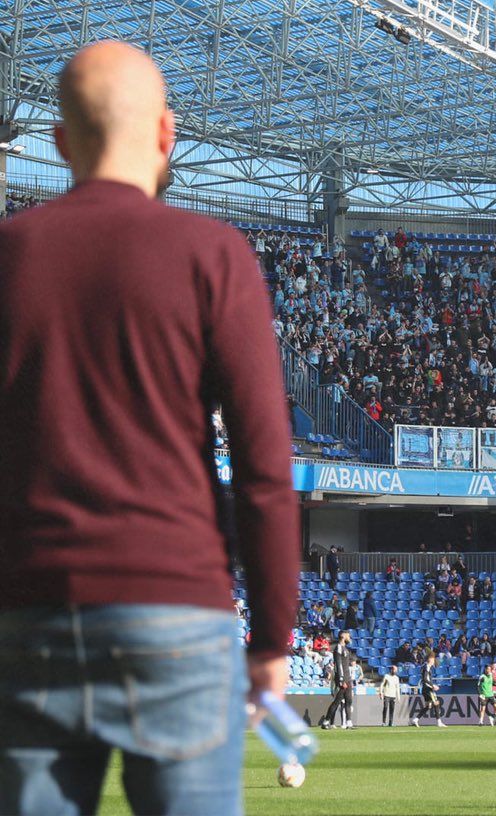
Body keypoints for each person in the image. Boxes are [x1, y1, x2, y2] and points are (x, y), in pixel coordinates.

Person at [0, 42, 299, 816]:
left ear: (60, 141)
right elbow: (267, 468)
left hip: (27, 615)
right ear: (168, 133)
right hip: (176, 614)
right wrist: (271, 641)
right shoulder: (214, 254)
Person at [320, 630, 354, 730]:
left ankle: (349, 723)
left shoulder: (345, 648)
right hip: (343, 679)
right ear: (343, 636)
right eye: (348, 635)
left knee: (349, 701)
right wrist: (341, 680)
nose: (349, 636)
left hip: (348, 678)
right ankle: (326, 721)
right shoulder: (338, 648)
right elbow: (338, 664)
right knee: (337, 701)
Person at [412, 654, 446, 728]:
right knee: (436, 703)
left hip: (425, 688)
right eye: (433, 659)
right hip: (428, 689)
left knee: (428, 706)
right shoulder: (426, 667)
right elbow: (424, 679)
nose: (434, 661)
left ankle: (416, 719)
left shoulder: (427, 667)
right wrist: (432, 685)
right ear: (430, 659)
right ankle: (439, 722)